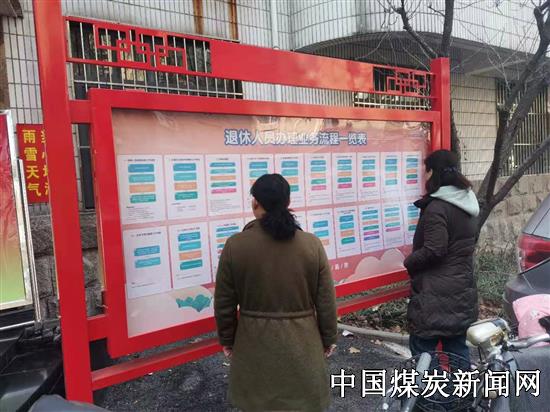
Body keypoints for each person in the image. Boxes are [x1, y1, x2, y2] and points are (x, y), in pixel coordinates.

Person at [214, 173, 338, 412]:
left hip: (252, 343)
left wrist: (227, 339)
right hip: (303, 345)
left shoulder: (235, 245)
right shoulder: (311, 244)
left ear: (255, 203)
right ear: (287, 202)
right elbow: (325, 300)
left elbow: (224, 303)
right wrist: (328, 337)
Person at [404, 150, 479, 366]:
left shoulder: (437, 208)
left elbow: (435, 250)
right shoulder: (467, 202)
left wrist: (409, 262)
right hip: (460, 291)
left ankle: (429, 389)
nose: (424, 176)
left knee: (424, 355)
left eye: (426, 171)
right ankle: (462, 388)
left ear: (433, 173)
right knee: (457, 350)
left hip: (434, 296)